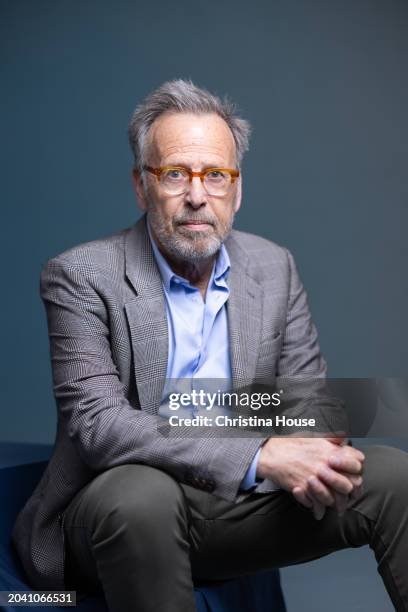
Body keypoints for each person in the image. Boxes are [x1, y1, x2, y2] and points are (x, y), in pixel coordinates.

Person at [13, 79, 408, 612]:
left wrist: (311, 444)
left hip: (233, 506)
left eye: (215, 176)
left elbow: (305, 398)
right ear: (141, 185)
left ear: (237, 189)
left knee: (391, 475)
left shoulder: (273, 266)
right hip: (117, 508)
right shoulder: (82, 274)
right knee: (141, 498)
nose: (197, 195)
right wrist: (260, 453)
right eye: (175, 174)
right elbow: (99, 425)